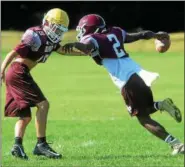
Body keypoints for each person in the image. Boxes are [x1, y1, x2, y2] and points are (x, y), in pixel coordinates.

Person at [62, 14, 184, 155]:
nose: (81, 32)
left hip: (127, 81)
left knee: (143, 118)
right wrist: (156, 35)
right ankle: (161, 105)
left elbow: (87, 47)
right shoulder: (116, 31)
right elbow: (140, 35)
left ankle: (176, 145)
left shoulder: (92, 38)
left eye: (82, 29)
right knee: (146, 109)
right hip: (140, 75)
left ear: (90, 28)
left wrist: (75, 44)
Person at [1, 8, 71, 160]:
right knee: (43, 105)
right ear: (47, 23)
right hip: (18, 71)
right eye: (55, 28)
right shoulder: (35, 35)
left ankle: (17, 146)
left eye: (60, 30)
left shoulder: (51, 40)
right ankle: (41, 144)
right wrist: (1, 70)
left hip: (18, 73)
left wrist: (85, 51)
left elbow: (64, 51)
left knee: (25, 116)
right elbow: (13, 52)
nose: (57, 32)